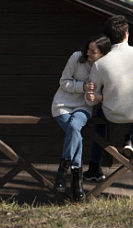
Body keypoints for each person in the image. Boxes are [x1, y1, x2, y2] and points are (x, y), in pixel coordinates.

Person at [83, 15, 133, 183]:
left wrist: (104, 97)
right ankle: (131, 138)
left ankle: (95, 167)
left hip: (112, 113)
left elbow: (91, 100)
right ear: (127, 34)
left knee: (98, 117)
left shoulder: (100, 63)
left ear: (107, 37)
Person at [51, 34, 112, 201]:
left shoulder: (104, 69)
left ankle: (63, 171)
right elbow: (64, 82)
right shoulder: (76, 58)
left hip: (84, 107)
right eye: (88, 49)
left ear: (103, 54)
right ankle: (77, 182)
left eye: (93, 51)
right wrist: (82, 86)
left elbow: (99, 96)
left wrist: (92, 96)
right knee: (75, 132)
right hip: (62, 104)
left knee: (74, 127)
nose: (88, 53)